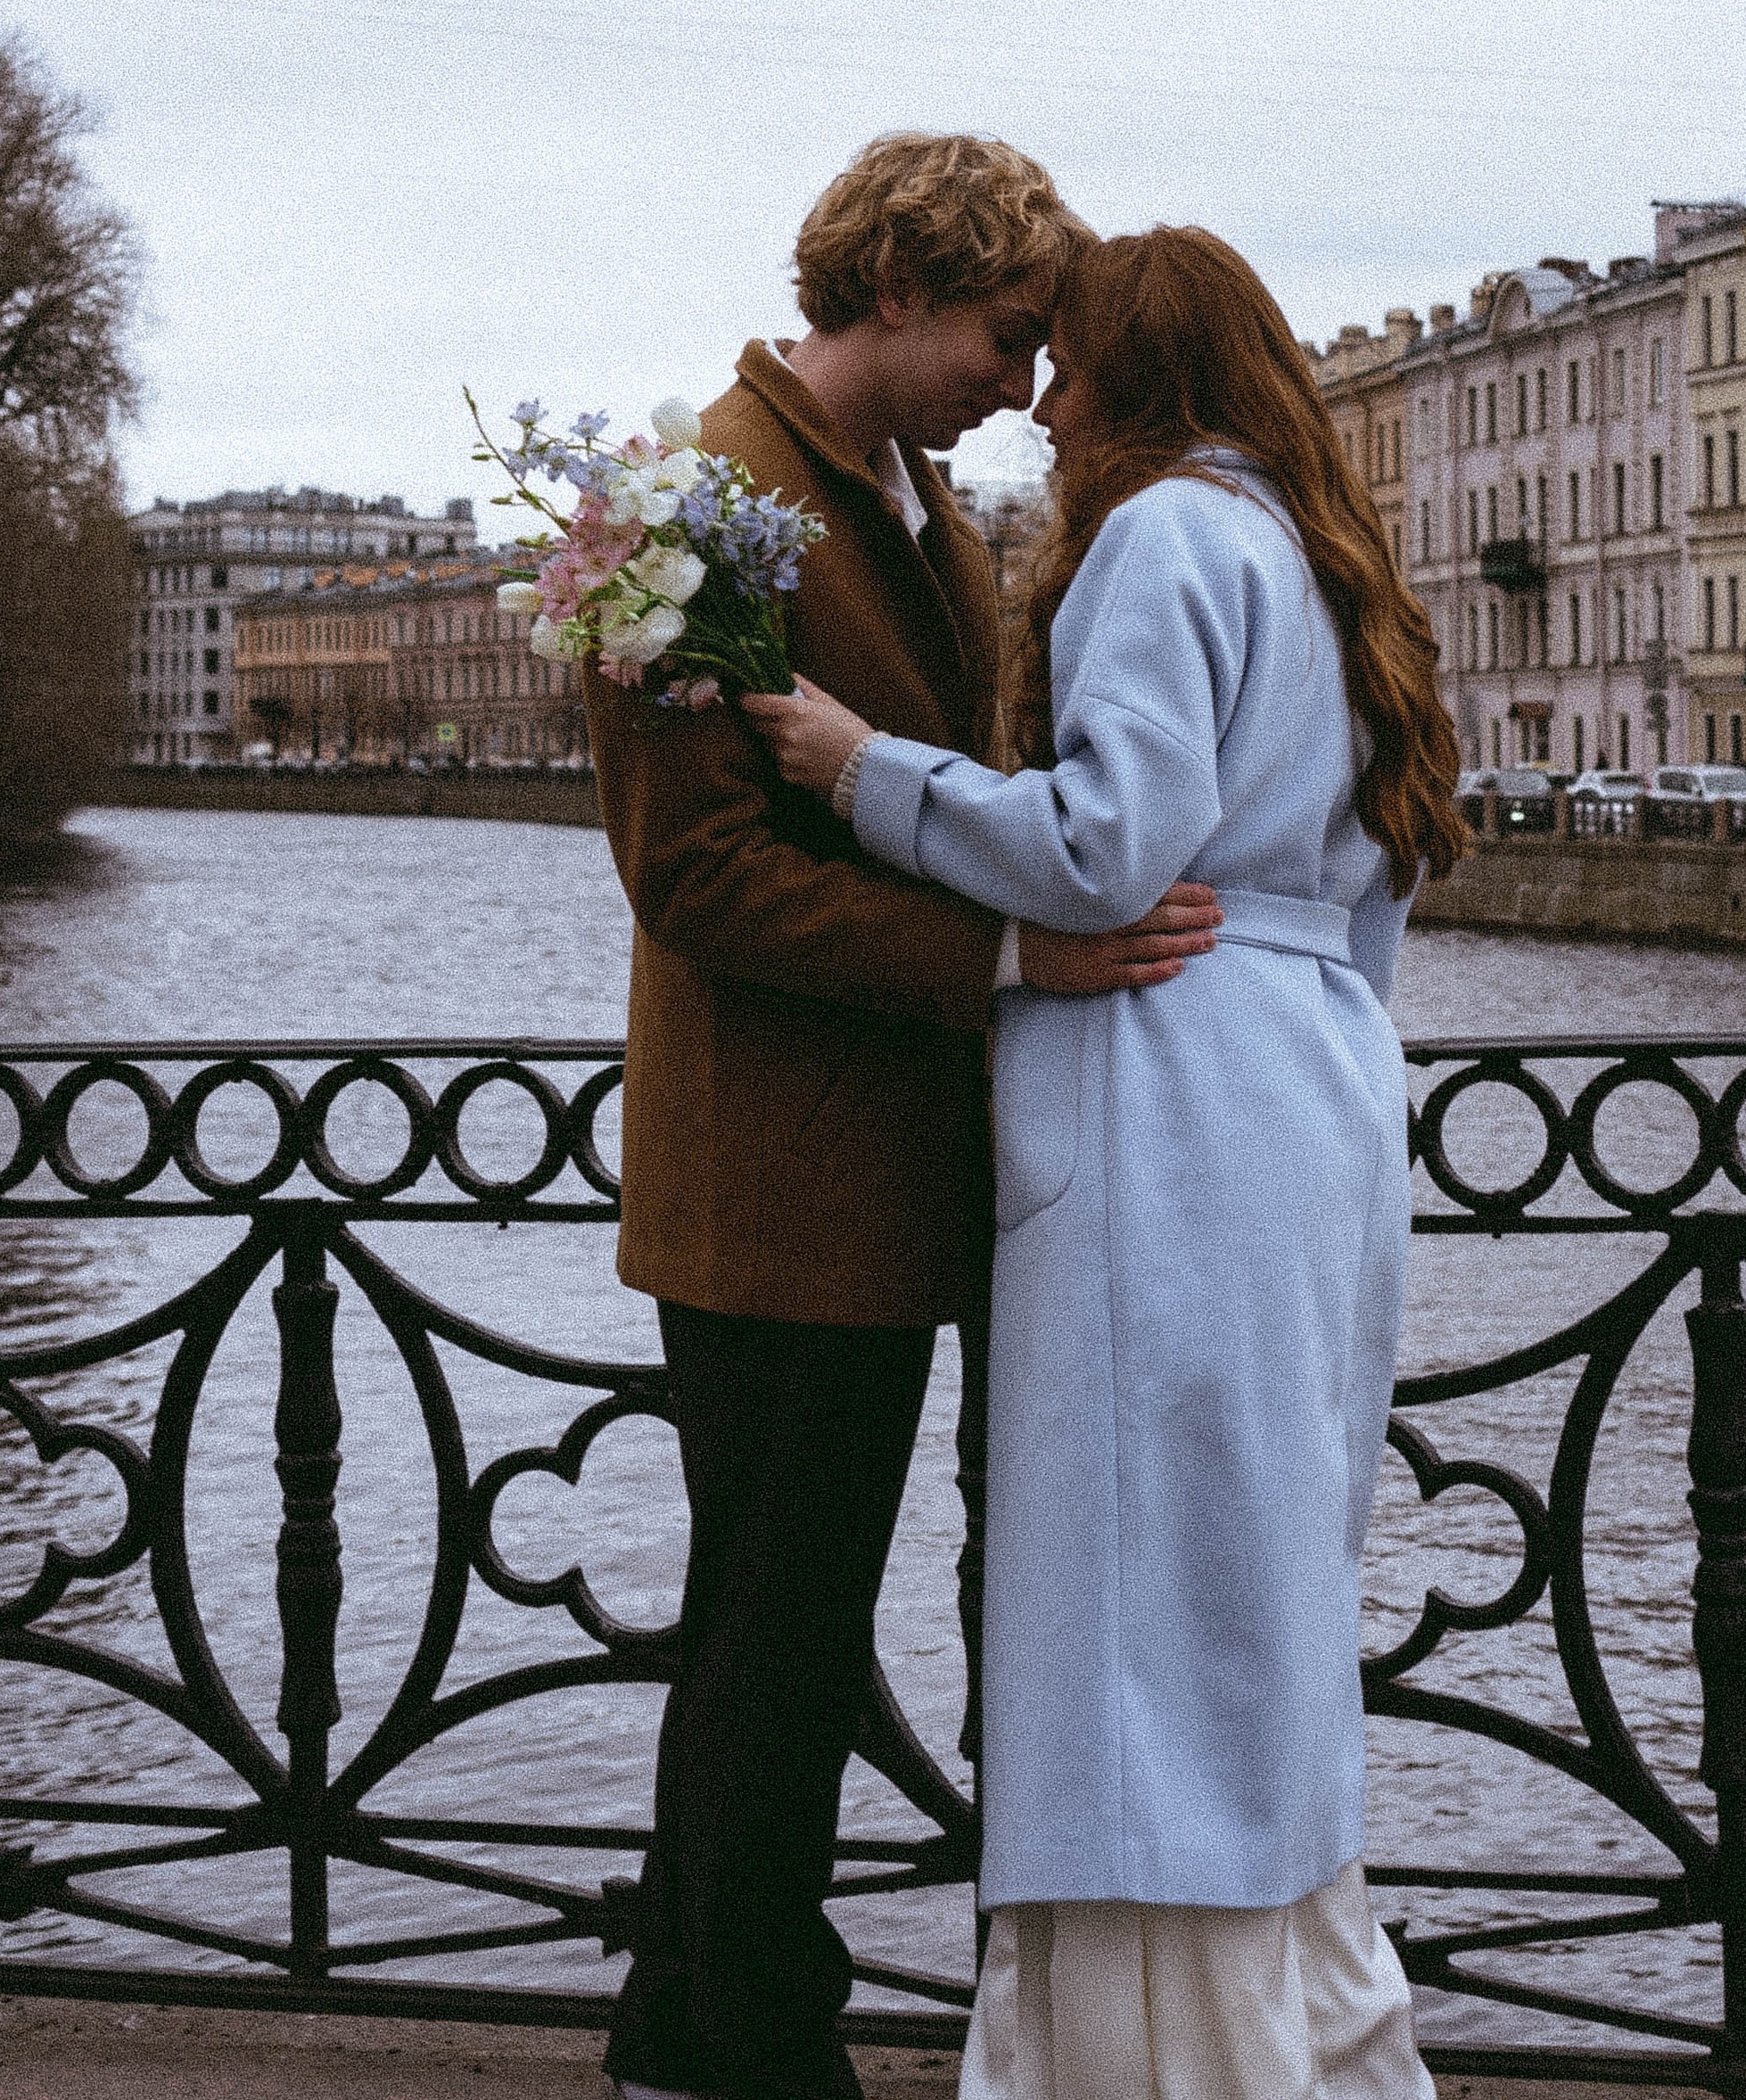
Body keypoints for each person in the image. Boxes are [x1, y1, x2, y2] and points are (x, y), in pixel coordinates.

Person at [745, 224, 1466, 2100]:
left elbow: (1104, 856)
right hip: (1311, 1083)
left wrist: (857, 770)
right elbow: (1365, 906)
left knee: (1139, 1602)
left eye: (1065, 365)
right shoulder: (1319, 554)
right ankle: (1302, 2025)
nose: (1040, 405)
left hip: (1166, 1090)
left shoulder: (1156, 538)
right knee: (1260, 1586)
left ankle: (1145, 2061)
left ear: (1134, 377)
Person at [591, 136, 1219, 2100]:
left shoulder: (900, 484)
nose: (1026, 383)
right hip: (779, 1178)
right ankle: (766, 2046)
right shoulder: (692, 497)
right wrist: (1012, 969)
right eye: (1005, 334)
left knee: (768, 1631)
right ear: (896, 286)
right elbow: (691, 875)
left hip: (879, 1174)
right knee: (783, 1641)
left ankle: (678, 2024)